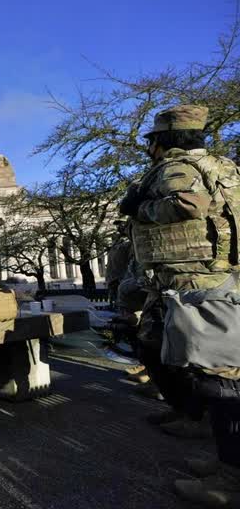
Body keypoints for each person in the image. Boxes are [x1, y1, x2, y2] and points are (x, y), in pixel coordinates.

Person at [120, 104, 240, 505]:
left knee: (221, 379)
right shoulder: (223, 166)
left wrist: (140, 208)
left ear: (162, 140)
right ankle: (199, 425)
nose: (149, 149)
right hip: (211, 279)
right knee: (160, 347)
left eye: (152, 141)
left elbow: (188, 206)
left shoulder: (179, 169)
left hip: (197, 283)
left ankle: (231, 479)